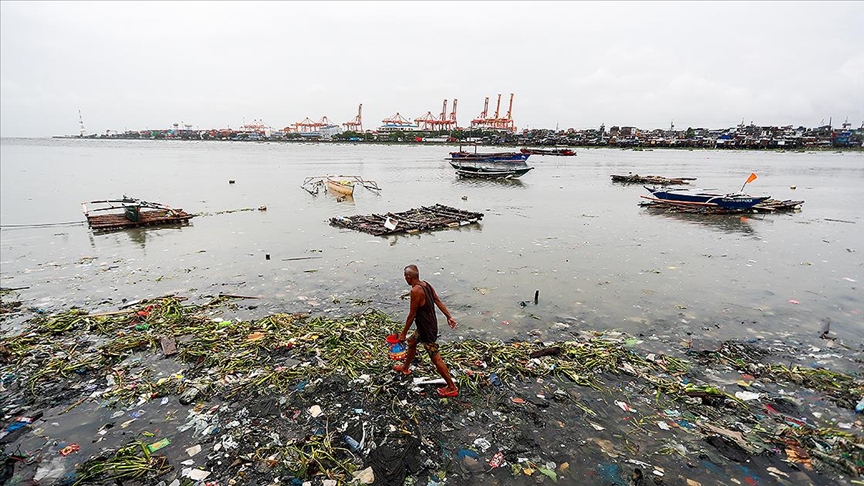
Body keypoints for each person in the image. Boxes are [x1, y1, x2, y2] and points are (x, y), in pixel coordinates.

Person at [393, 264, 459, 398]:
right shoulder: (426, 285)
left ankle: (452, 387)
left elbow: (412, 314)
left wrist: (403, 333)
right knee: (412, 342)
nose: (405, 279)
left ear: (409, 277)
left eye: (405, 276)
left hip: (427, 330)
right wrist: (449, 316)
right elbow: (437, 301)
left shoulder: (415, 291)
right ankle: (405, 368)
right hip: (427, 325)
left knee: (436, 359)